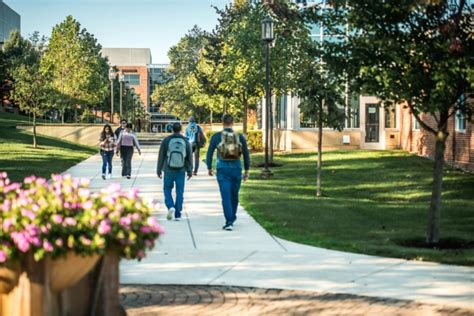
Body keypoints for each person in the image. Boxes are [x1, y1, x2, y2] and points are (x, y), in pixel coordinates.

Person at [206, 114, 250, 231]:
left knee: (225, 196)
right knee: (234, 195)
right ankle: (232, 216)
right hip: (236, 169)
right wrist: (246, 170)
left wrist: (209, 167)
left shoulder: (216, 137)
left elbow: (209, 153)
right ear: (233, 123)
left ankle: (229, 221)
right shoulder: (239, 137)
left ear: (222, 122)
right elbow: (246, 154)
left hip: (222, 170)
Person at [157, 122, 193, 221]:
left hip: (168, 169)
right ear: (181, 129)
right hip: (181, 170)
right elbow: (189, 157)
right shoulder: (185, 141)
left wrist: (159, 169)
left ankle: (170, 206)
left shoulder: (167, 140)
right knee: (179, 192)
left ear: (172, 129)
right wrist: (190, 170)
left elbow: (161, 155)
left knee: (167, 189)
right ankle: (178, 214)